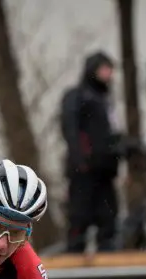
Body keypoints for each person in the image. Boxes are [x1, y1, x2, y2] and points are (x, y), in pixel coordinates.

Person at [60, 50, 122, 253]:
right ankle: (74, 259)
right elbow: (70, 128)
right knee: (79, 218)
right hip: (84, 170)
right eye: (104, 69)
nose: (108, 74)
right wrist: (80, 159)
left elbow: (110, 133)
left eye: (110, 70)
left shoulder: (106, 101)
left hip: (105, 171)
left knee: (108, 218)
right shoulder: (77, 96)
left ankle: (109, 258)